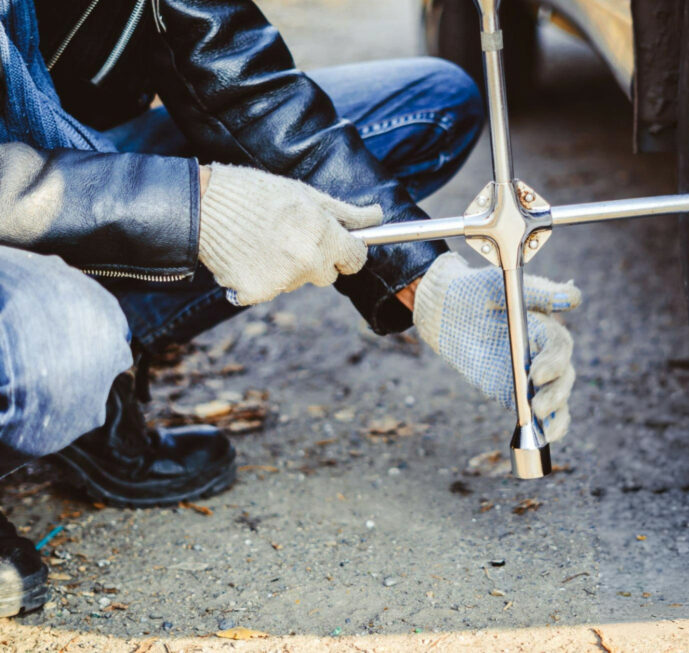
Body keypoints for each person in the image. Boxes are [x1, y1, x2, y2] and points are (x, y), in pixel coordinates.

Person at [0, 0, 581, 618]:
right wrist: (191, 208)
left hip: (72, 164)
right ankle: (62, 357)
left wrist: (425, 282)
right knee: (66, 343)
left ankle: (91, 380)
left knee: (430, 103)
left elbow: (236, 73)